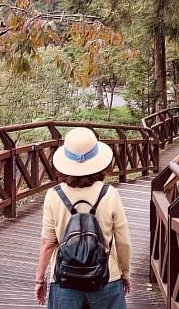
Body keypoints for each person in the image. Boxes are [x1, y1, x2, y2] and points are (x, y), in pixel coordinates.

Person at [34, 127, 132, 308]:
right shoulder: (109, 193)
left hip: (64, 280)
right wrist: (125, 273)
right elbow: (123, 242)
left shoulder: (54, 195)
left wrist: (40, 280)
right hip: (106, 278)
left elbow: (48, 243)